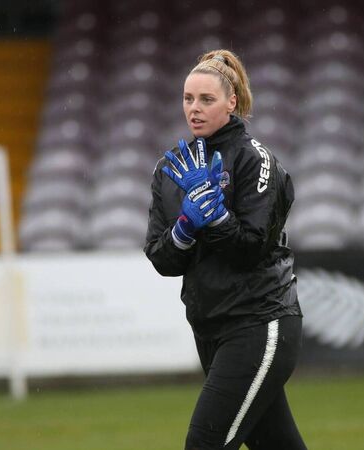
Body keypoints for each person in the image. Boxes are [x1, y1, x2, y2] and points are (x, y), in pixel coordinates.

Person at [143, 49, 305, 450]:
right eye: (188, 99)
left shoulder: (256, 161)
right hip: (210, 327)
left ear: (232, 102)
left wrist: (215, 217)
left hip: (260, 321)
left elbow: (252, 248)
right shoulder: (171, 168)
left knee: (205, 443)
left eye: (206, 99)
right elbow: (161, 257)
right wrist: (184, 227)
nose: (194, 109)